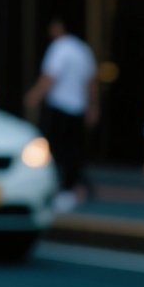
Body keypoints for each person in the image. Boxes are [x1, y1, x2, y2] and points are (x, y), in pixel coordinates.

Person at [24, 16, 98, 212]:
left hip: (60, 106)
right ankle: (70, 188)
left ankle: (58, 189)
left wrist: (34, 95)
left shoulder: (60, 48)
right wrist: (92, 107)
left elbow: (50, 77)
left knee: (54, 150)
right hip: (78, 107)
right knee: (73, 150)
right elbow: (91, 82)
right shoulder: (83, 49)